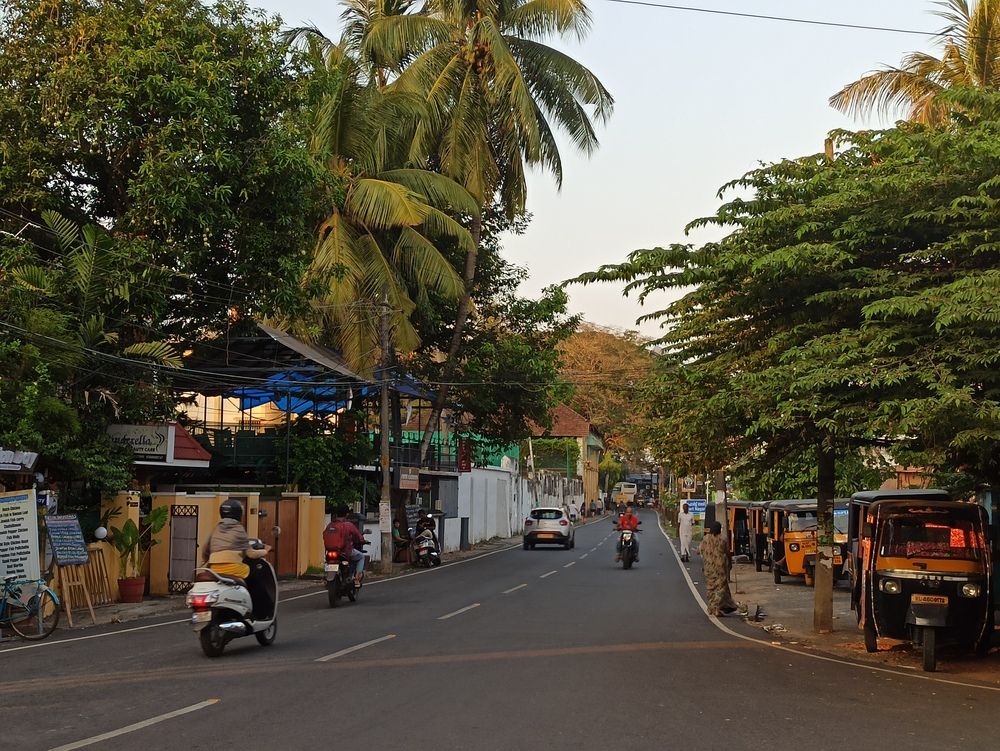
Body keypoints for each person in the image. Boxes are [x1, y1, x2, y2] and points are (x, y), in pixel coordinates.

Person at [201, 499, 270, 580]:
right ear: (239, 513)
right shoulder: (239, 529)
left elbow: (205, 550)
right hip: (233, 569)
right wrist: (266, 550)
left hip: (214, 569)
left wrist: (207, 561)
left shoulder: (216, 529)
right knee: (252, 572)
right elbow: (251, 554)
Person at [699, 521, 738, 616]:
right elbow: (727, 552)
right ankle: (717, 608)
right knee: (720, 588)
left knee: (711, 588)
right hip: (720, 567)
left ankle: (714, 607)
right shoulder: (722, 538)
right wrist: (730, 562)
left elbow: (699, 550)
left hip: (709, 568)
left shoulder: (705, 539)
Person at [326, 507, 369, 585]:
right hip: (345, 551)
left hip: (330, 552)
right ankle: (357, 578)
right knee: (361, 556)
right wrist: (363, 541)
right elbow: (358, 536)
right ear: (346, 514)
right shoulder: (348, 525)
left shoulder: (330, 525)